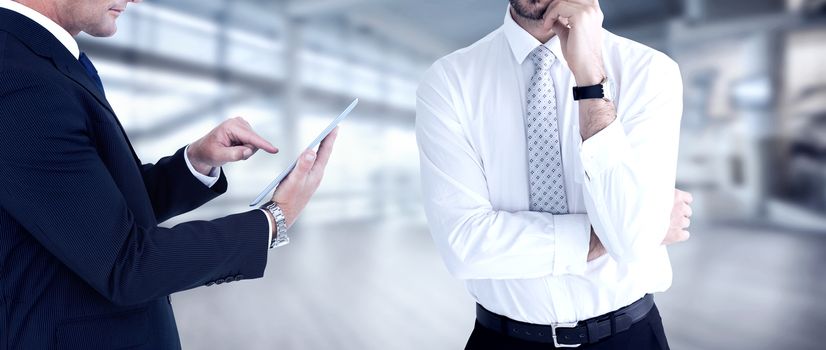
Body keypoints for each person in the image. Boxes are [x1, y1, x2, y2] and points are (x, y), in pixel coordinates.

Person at [0, 0, 337, 348]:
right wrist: (275, 217)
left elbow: (93, 213)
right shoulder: (19, 76)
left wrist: (196, 161)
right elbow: (124, 265)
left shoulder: (39, 59)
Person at [416, 1, 692, 349]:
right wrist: (603, 236)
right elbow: (465, 246)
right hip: (504, 340)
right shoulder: (449, 81)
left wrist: (591, 80)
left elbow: (632, 242)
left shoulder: (649, 72)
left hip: (628, 337)